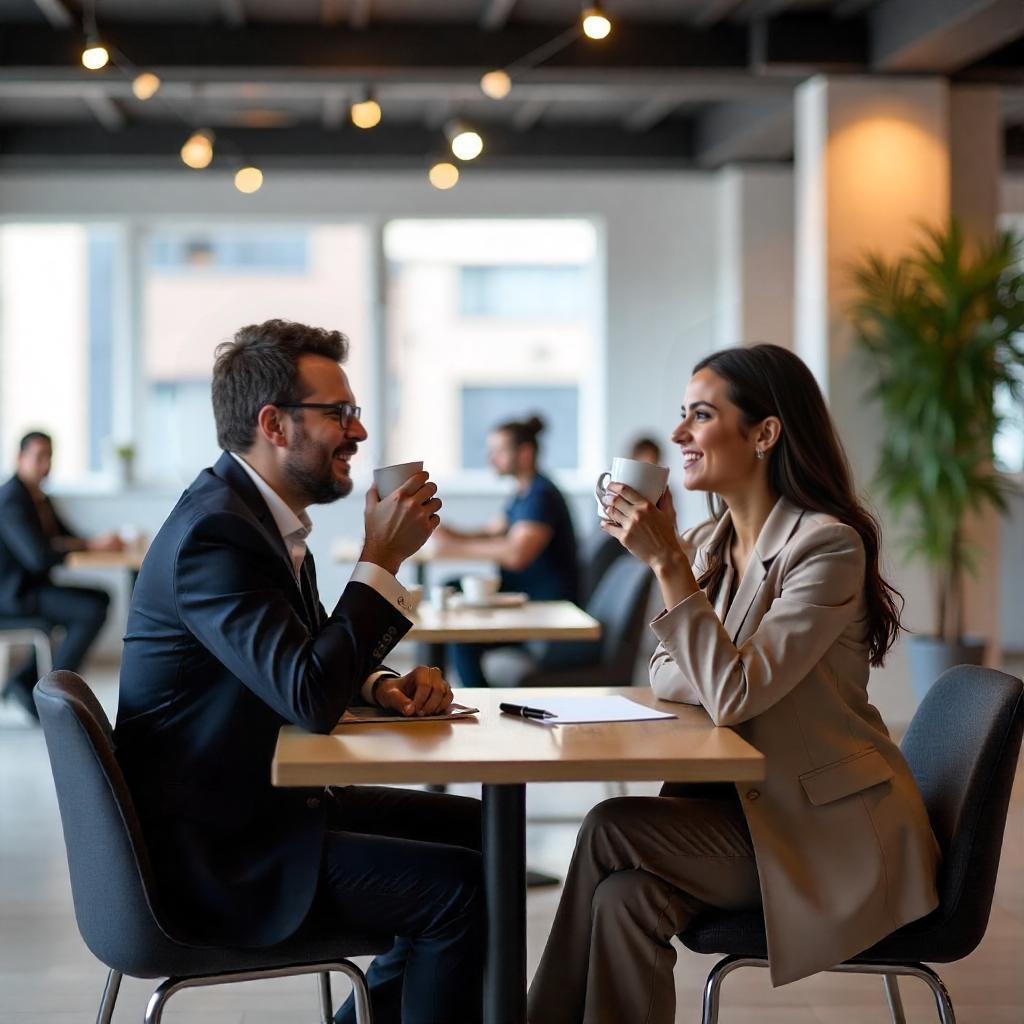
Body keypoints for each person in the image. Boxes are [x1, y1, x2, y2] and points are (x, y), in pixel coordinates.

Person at [528, 344, 940, 1024]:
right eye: (681, 417)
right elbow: (667, 673)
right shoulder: (713, 544)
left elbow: (734, 696)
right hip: (746, 811)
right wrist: (716, 652)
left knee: (608, 825)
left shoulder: (826, 547)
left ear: (764, 434)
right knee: (622, 898)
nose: (680, 436)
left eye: (699, 415)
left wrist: (665, 566)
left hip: (827, 834)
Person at [114, 320, 482, 1024]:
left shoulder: (258, 520)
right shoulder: (216, 536)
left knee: (486, 838)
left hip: (263, 807)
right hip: (219, 852)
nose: (360, 433)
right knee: (462, 888)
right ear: (274, 424)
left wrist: (381, 685)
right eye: (339, 414)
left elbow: (304, 658)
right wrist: (381, 560)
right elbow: (310, 696)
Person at [431, 414, 579, 687]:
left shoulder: (541, 496)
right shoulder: (523, 493)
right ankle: (432, 686)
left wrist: (456, 546)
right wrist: (447, 531)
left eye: (499, 451)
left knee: (461, 636)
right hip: (524, 596)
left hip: (544, 606)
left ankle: (480, 707)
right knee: (450, 588)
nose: (491, 459)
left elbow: (516, 555)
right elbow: (491, 530)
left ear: (524, 453)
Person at [0, 431, 122, 721]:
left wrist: (95, 544)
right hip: (14, 596)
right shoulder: (12, 499)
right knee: (90, 609)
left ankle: (25, 682)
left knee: (99, 598)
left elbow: (65, 537)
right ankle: (51, 693)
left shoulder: (39, 497)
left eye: (49, 457)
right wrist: (82, 547)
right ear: (20, 458)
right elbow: (37, 557)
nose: (46, 465)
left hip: (34, 589)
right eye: (39, 457)